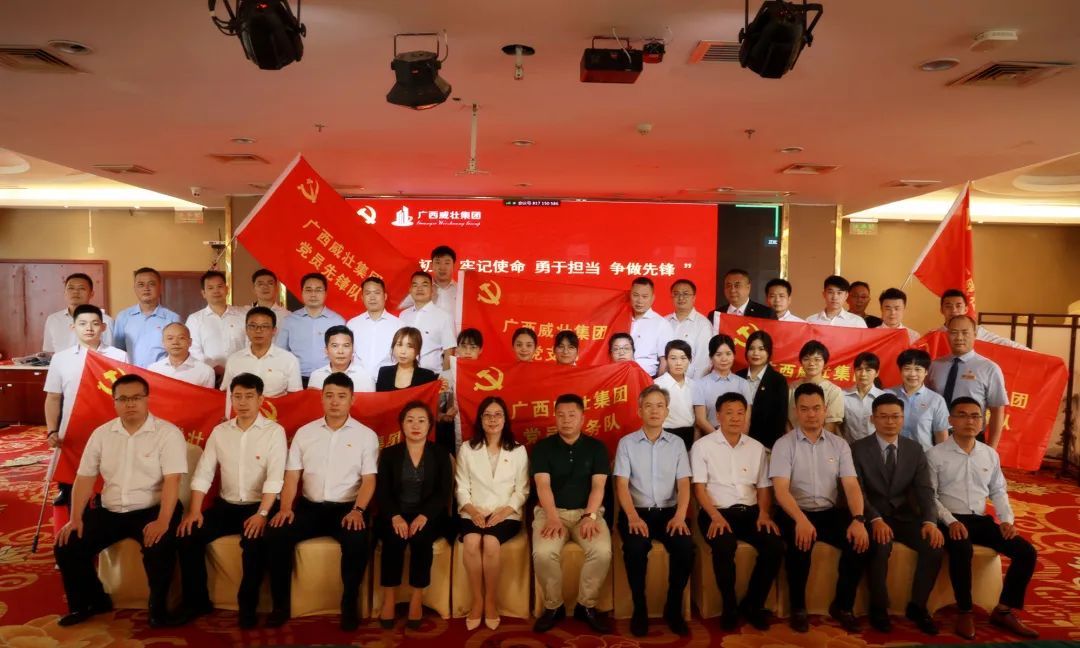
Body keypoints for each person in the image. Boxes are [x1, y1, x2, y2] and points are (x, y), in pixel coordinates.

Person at [53, 374, 187, 627]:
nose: (130, 404)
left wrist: (163, 521)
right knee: (68, 544)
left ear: (147, 399)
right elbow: (84, 478)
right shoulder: (102, 434)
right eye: (123, 399)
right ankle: (90, 602)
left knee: (159, 546)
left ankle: (159, 609)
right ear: (114, 402)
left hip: (152, 508)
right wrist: (75, 518)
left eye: (136, 397)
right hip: (111, 509)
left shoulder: (167, 433)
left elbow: (173, 481)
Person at [265, 373, 379, 630]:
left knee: (358, 540)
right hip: (310, 508)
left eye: (341, 396)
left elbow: (369, 480)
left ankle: (349, 604)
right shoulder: (305, 433)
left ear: (352, 399)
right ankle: (280, 605)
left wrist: (358, 510)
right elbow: (292, 475)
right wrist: (285, 508)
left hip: (347, 508)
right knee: (276, 533)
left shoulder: (366, 435)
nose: (335, 402)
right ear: (321, 398)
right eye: (329, 396)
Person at [177, 373, 286, 628]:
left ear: (261, 400)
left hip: (260, 506)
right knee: (188, 535)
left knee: (254, 544)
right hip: (226, 507)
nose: (243, 402)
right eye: (237, 396)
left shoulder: (274, 432)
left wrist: (262, 514)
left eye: (249, 396)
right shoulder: (220, 432)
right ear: (231, 399)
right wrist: (194, 511)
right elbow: (204, 473)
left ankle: (247, 606)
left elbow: (275, 478)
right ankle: (197, 601)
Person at [927, 397, 1039, 641]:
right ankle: (965, 610)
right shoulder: (935, 455)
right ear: (950, 420)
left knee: (1026, 552)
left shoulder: (989, 454)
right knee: (961, 548)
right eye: (962, 415)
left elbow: (998, 490)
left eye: (975, 416)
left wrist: (1006, 520)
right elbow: (929, 496)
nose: (969, 421)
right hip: (949, 520)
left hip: (980, 519)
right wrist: (950, 521)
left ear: (983, 422)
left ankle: (1004, 610)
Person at [770, 382, 870, 633]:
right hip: (794, 512)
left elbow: (851, 485)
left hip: (828, 512)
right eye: (804, 409)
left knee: (859, 543)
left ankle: (843, 606)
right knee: (799, 545)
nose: (811, 414)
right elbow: (781, 490)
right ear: (796, 411)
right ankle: (798, 607)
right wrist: (801, 520)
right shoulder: (784, 444)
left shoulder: (839, 445)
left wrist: (858, 519)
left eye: (816, 408)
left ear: (825, 410)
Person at [851, 393, 944, 635]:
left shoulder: (914, 449)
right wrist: (874, 519)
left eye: (895, 416)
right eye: (883, 417)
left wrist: (930, 521)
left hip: (904, 516)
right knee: (880, 547)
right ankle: (878, 609)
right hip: (872, 516)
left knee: (933, 546)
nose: (890, 422)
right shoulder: (857, 449)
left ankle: (918, 607)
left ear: (903, 418)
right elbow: (857, 491)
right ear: (872, 419)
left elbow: (925, 490)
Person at [692, 392, 784, 631]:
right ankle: (730, 606)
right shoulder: (702, 447)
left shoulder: (756, 448)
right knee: (724, 546)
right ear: (718, 416)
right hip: (716, 512)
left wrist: (764, 514)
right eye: (729, 413)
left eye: (740, 413)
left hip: (751, 512)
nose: (735, 418)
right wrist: (715, 516)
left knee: (774, 545)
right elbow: (699, 489)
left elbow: (763, 487)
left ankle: (753, 604)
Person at [614, 386, 693, 637]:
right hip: (636, 512)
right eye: (648, 406)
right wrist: (632, 517)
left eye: (660, 406)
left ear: (667, 411)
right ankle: (640, 608)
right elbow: (621, 485)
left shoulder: (677, 444)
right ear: (639, 411)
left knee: (685, 547)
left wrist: (680, 515)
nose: (654, 411)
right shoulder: (626, 443)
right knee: (635, 549)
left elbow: (684, 484)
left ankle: (673, 607)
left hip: (670, 512)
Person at [531, 394, 613, 634]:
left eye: (572, 415)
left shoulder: (596, 448)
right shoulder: (543, 447)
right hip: (551, 512)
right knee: (543, 553)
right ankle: (553, 606)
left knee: (601, 552)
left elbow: (598, 486)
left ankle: (586, 605)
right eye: (561, 415)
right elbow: (542, 485)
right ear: (555, 417)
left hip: (587, 513)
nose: (566, 420)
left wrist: (589, 516)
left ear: (582, 418)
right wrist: (552, 517)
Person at [43, 304, 128, 529]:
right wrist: (52, 430)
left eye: (94, 323)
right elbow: (53, 398)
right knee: (74, 485)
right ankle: (75, 530)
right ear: (73, 327)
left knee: (108, 484)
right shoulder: (61, 358)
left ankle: (104, 534)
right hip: (73, 430)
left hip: (110, 429)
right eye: (82, 324)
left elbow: (127, 394)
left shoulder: (119, 356)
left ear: (103, 327)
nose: (89, 328)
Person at [375, 401, 453, 629]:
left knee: (421, 540)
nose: (415, 425)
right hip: (396, 514)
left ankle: (416, 599)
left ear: (430, 425)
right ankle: (389, 599)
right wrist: (395, 516)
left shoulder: (440, 454)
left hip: (429, 515)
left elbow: (443, 491)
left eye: (421, 421)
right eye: (410, 420)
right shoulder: (389, 454)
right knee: (393, 540)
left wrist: (424, 515)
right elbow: (383, 491)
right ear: (402, 425)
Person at [455, 397, 530, 631]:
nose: (492, 420)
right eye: (487, 415)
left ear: (505, 419)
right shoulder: (467, 449)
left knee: (490, 542)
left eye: (498, 415)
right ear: (480, 419)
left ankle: (491, 601)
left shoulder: (517, 450)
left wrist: (504, 512)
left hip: (505, 514)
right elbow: (461, 487)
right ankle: (477, 600)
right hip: (473, 511)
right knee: (471, 541)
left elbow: (522, 490)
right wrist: (472, 511)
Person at [927, 315, 1008, 447]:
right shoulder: (934, 366)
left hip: (971, 438)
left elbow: (997, 410)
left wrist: (992, 449)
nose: (959, 337)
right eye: (954, 332)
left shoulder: (989, 368)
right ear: (947, 335)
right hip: (936, 436)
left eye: (965, 332)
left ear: (975, 335)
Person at [276, 273, 346, 385]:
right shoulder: (289, 321)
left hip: (329, 379)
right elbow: (280, 352)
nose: (313, 294)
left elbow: (344, 353)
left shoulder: (338, 321)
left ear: (325, 293)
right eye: (308, 290)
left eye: (318, 290)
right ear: (302, 292)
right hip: (296, 379)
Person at [221, 307, 302, 398]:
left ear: (274, 331)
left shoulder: (289, 360)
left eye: (265, 326)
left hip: (276, 407)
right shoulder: (234, 359)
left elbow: (295, 397)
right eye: (253, 326)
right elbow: (226, 393)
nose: (258, 330)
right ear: (246, 329)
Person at [112, 267, 181, 367]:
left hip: (162, 374)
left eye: (151, 284)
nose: (146, 288)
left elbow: (177, 352)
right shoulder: (123, 317)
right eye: (141, 285)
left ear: (160, 287)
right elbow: (117, 352)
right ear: (134, 288)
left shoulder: (172, 318)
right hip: (132, 373)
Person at [184, 270, 247, 378]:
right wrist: (216, 368)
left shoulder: (243, 315)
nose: (216, 291)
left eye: (219, 286)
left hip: (242, 374)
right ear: (203, 293)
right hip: (209, 376)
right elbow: (193, 350)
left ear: (227, 289)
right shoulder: (195, 319)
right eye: (210, 288)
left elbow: (251, 343)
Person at [693, 335, 753, 440]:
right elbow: (700, 419)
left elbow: (746, 419)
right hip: (710, 439)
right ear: (711, 357)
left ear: (734, 355)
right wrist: (721, 439)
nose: (724, 359)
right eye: (718, 354)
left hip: (738, 441)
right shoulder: (700, 384)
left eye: (728, 354)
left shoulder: (743, 384)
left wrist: (737, 441)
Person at [346, 276, 405, 382]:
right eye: (368, 293)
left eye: (377, 293)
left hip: (388, 381)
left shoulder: (399, 325)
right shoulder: (352, 324)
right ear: (362, 297)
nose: (372, 297)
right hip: (357, 381)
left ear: (385, 296)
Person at [738, 330, 789, 449]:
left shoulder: (778, 381)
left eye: (761, 349)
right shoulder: (737, 376)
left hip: (764, 446)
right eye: (751, 348)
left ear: (768, 352)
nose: (756, 353)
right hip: (736, 442)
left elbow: (780, 419)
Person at [890, 349, 950, 450]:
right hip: (891, 455)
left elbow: (941, 437)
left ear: (926, 372)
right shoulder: (887, 394)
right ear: (900, 370)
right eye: (907, 369)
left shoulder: (936, 400)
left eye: (918, 369)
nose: (912, 374)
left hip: (924, 456)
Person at [398, 271, 456, 372]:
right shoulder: (403, 315)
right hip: (404, 373)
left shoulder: (444, 316)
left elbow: (449, 350)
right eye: (415, 285)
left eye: (424, 285)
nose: (419, 289)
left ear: (432, 289)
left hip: (431, 375)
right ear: (410, 290)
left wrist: (444, 377)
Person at [42, 272, 114, 353]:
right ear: (64, 292)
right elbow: (49, 351)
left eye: (81, 288)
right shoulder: (53, 319)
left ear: (91, 294)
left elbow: (110, 352)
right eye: (71, 288)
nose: (75, 292)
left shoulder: (106, 320)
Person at [937, 289, 1028, 350]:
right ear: (941, 310)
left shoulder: (977, 331)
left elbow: (1006, 344)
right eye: (948, 306)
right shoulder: (936, 336)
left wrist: (1034, 355)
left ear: (966, 309)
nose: (953, 310)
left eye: (958, 306)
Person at [787, 340, 844, 434]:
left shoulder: (834, 391)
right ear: (801, 362)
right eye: (806, 359)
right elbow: (786, 420)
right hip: (793, 440)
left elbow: (831, 425)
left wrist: (814, 441)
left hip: (823, 441)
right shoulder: (791, 388)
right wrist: (793, 439)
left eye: (817, 359)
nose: (811, 363)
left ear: (825, 363)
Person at [399, 245, 460, 329]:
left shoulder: (461, 291)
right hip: (424, 333)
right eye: (438, 262)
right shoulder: (421, 290)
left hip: (454, 335)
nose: (442, 267)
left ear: (454, 266)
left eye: (447, 263)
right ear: (431, 265)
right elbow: (398, 307)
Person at [665, 278, 713, 378]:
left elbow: (703, 362)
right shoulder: (664, 322)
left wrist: (693, 385)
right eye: (676, 294)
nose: (681, 298)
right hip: (664, 380)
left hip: (690, 382)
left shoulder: (703, 324)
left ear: (694, 297)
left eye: (685, 294)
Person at [629, 277, 675, 377]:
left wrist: (657, 384)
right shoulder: (621, 319)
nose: (639, 300)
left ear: (652, 298)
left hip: (648, 378)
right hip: (620, 377)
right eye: (635, 295)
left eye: (645, 296)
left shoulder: (661, 324)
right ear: (630, 295)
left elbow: (665, 360)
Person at [655, 340, 696, 451]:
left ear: (690, 360)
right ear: (666, 360)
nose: (678, 363)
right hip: (665, 435)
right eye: (673, 358)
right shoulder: (657, 385)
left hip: (690, 435)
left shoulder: (695, 386)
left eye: (683, 358)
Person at [307, 325, 376, 391]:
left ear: (353, 349)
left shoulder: (366, 377)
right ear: (326, 350)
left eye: (346, 346)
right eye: (335, 346)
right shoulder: (316, 376)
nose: (340, 351)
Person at [147, 322, 215, 388]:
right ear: (163, 343)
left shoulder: (206, 372)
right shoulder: (153, 370)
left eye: (181, 338)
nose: (175, 342)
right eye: (170, 338)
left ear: (190, 342)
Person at [376, 327, 439, 391]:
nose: (403, 351)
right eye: (399, 345)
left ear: (418, 350)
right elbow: (379, 396)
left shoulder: (427, 376)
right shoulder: (384, 373)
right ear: (393, 347)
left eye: (410, 346)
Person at [841, 352, 885, 443]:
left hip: (876, 448)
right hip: (849, 447)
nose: (863, 374)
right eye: (859, 369)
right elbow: (837, 424)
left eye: (868, 370)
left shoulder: (884, 397)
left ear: (877, 373)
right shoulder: (843, 395)